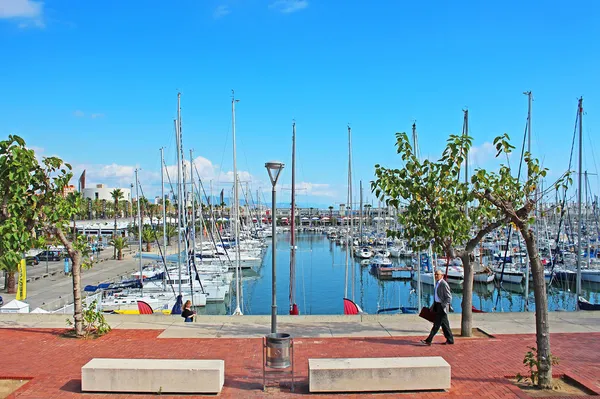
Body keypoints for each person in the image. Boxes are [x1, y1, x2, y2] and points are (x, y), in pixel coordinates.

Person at [421, 270, 454, 345]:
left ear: (442, 275)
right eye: (435, 274)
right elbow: (437, 297)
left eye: (437, 274)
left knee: (436, 325)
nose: (436, 276)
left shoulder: (443, 284)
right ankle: (450, 340)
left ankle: (429, 340)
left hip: (442, 307)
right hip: (437, 305)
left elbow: (449, 297)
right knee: (445, 325)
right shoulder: (437, 283)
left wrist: (443, 305)